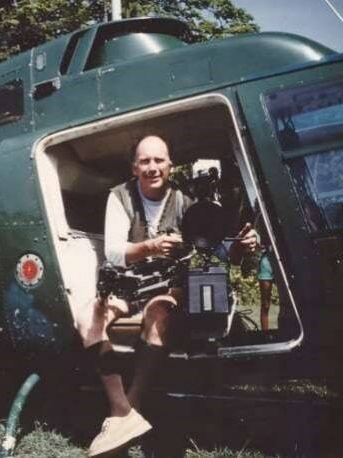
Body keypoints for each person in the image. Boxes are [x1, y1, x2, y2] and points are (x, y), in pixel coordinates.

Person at [76, 135, 257, 456]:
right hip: (128, 282)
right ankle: (123, 412)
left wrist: (240, 248)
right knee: (89, 317)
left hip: (168, 283)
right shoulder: (119, 197)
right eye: (145, 161)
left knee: (159, 313)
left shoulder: (186, 201)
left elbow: (213, 250)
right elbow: (114, 253)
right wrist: (150, 246)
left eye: (159, 160)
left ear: (171, 165)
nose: (152, 167)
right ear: (134, 167)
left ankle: (129, 409)